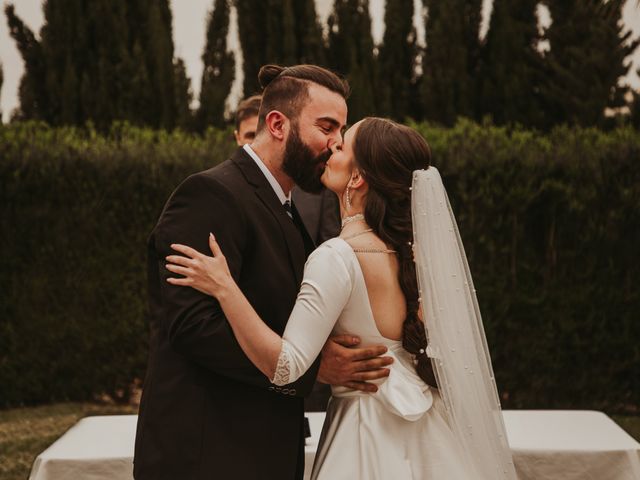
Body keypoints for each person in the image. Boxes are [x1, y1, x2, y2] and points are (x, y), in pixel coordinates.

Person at [166, 117, 517, 479]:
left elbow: (286, 367)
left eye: (343, 145)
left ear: (357, 177)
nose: (332, 148)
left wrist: (225, 288)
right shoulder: (416, 257)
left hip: (364, 439)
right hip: (433, 438)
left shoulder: (337, 257)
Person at [133, 66, 394, 480]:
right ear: (276, 124)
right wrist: (309, 368)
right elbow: (190, 325)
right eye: (326, 127)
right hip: (208, 453)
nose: (336, 143)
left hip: (262, 448)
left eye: (341, 130)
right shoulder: (209, 194)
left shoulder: (287, 209)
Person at [234, 94, 341, 247]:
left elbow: (329, 250)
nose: (257, 141)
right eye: (251, 135)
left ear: (275, 128)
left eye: (261, 134)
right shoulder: (220, 190)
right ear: (237, 137)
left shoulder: (318, 189)